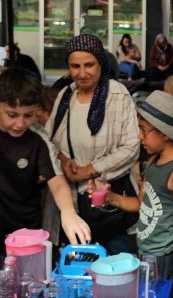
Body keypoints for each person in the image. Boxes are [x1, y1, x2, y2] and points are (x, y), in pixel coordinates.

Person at [0, 68, 90, 257]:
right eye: (12, 115)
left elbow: (57, 182)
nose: (20, 123)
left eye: (29, 115)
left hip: (25, 229)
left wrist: (68, 212)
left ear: (37, 110)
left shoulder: (39, 139)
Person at [95, 91, 173, 298]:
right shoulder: (153, 162)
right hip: (146, 254)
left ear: (165, 133)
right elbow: (141, 203)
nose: (139, 136)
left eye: (143, 130)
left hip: (166, 259)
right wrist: (110, 197)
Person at [45, 34, 139, 254]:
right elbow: (48, 141)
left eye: (89, 65)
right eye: (75, 66)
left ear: (101, 63)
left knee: (117, 261)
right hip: (72, 202)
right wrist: (63, 160)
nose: (82, 73)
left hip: (109, 203)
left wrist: (90, 170)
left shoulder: (117, 95)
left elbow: (131, 147)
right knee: (78, 263)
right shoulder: (65, 96)